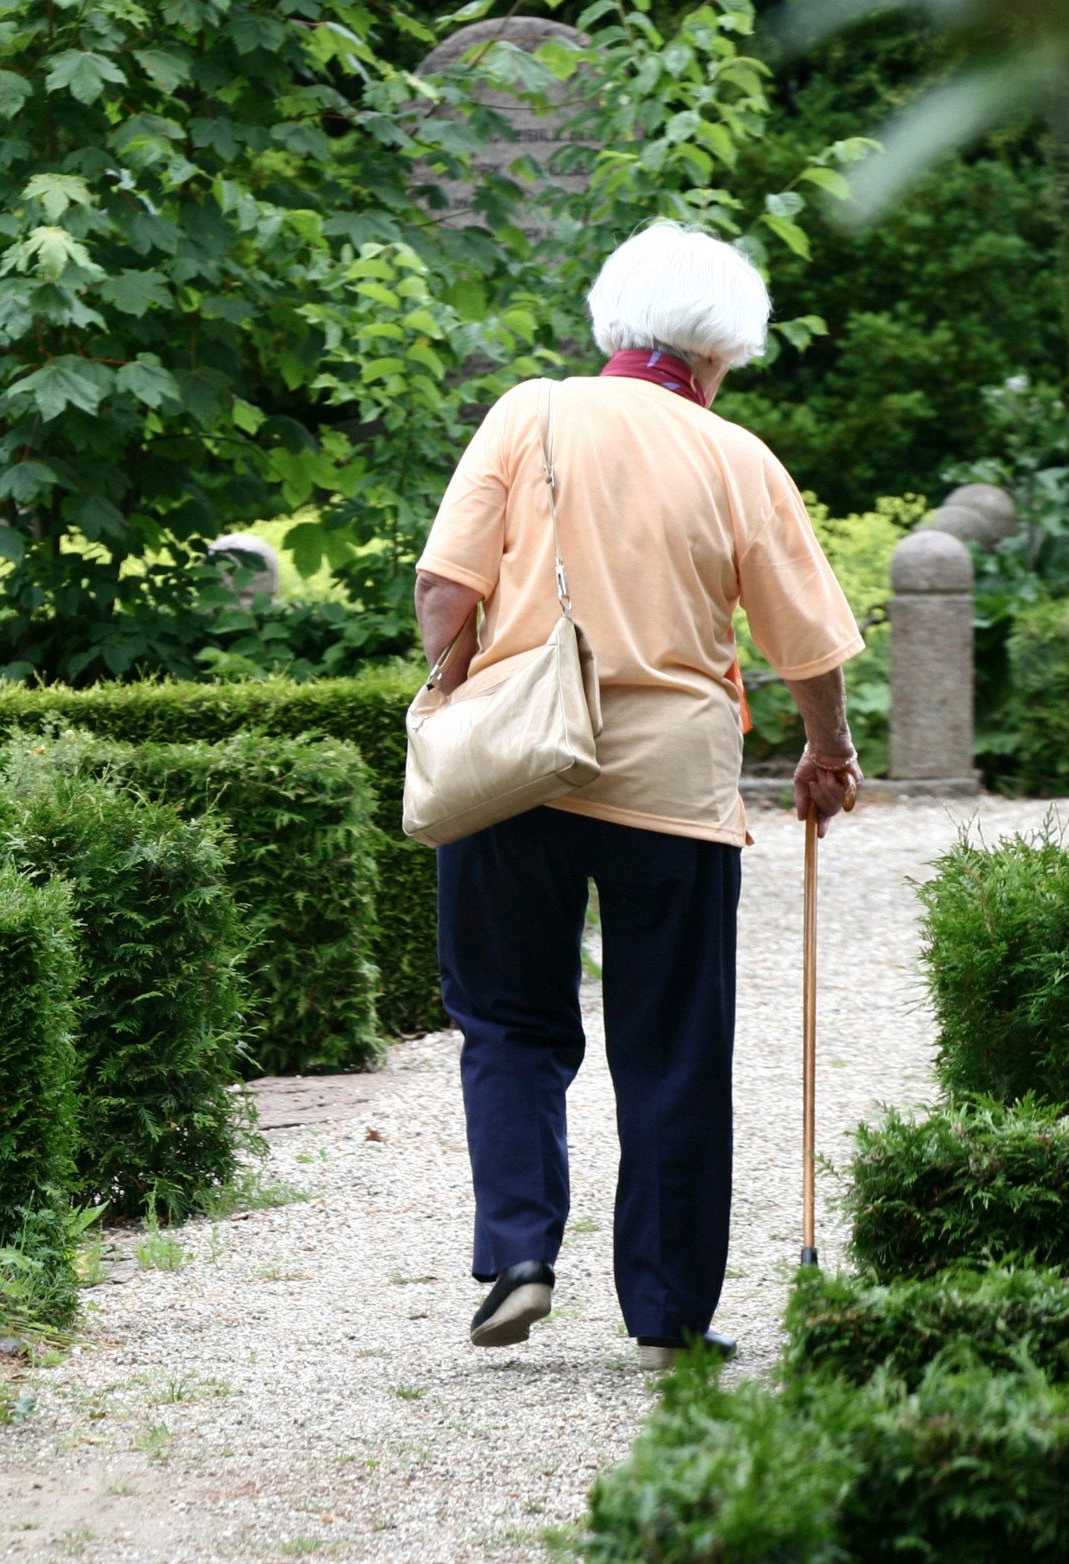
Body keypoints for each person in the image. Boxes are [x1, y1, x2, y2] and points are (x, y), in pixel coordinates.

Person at [413, 222, 862, 1371]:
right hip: (674, 786)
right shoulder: (737, 457)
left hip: (516, 767)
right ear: (718, 348)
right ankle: (666, 1318)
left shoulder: (530, 410)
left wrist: (458, 689)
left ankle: (518, 1252)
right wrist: (827, 753)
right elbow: (806, 644)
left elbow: (441, 585)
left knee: (508, 1020)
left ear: (613, 323)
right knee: (672, 1046)